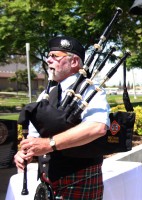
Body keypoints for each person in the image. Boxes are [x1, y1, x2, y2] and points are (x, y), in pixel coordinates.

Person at [14, 36, 110, 199]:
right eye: (48, 56)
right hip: (47, 180)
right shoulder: (46, 94)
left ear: (74, 62)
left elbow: (97, 127)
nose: (48, 60)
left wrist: (49, 144)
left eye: (55, 56)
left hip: (79, 178)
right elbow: (35, 133)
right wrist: (25, 152)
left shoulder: (89, 90)